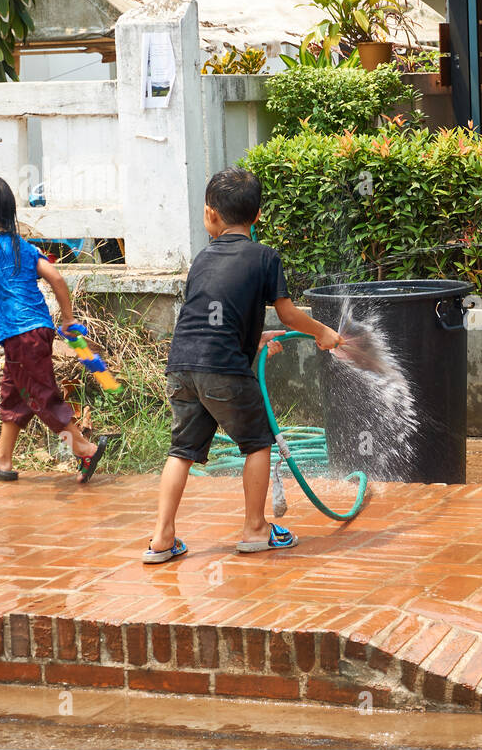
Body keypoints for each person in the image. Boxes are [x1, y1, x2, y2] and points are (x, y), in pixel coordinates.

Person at [146, 168, 344, 564]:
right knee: (257, 443)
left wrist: (254, 342)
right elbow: (287, 314)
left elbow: (211, 318)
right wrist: (322, 331)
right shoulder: (265, 257)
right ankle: (255, 529)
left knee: (181, 450)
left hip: (182, 366)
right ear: (256, 217)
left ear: (210, 215)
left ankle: (161, 539)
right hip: (223, 370)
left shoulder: (201, 259)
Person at [0, 175, 108, 483]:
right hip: (40, 330)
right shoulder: (24, 247)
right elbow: (55, 277)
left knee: (40, 395)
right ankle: (2, 458)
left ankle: (82, 446)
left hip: (19, 334)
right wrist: (67, 319)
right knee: (15, 393)